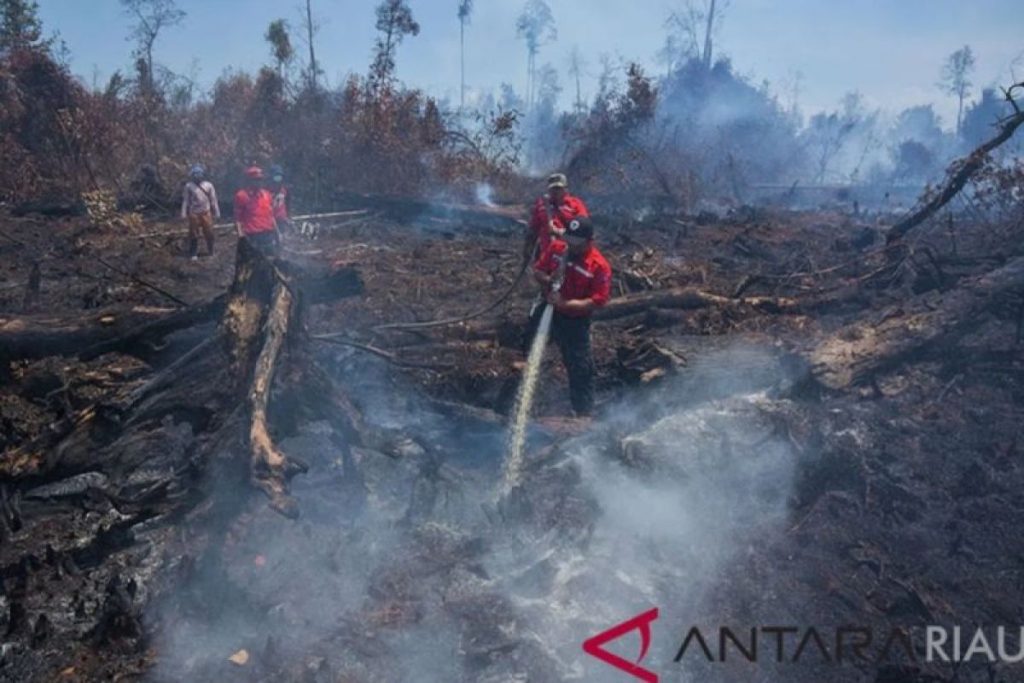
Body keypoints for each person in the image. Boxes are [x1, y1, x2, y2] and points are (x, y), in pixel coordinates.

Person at [527, 216, 611, 416]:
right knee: (529, 350)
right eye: (569, 241)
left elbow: (597, 301)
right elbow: (538, 270)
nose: (571, 247)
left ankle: (582, 413)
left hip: (574, 320)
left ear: (589, 241)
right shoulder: (557, 249)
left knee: (580, 367)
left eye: (576, 244)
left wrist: (567, 304)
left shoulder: (598, 266)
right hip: (548, 308)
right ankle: (524, 399)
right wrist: (548, 280)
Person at [524, 172, 589, 263]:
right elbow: (534, 227)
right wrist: (528, 247)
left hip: (568, 254)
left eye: (558, 188)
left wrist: (560, 232)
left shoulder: (575, 204)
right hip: (546, 253)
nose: (555, 191)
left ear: (565, 189)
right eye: (553, 188)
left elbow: (583, 228)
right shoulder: (542, 204)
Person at [233, 166, 279, 254]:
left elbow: (271, 216)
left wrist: (277, 232)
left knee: (270, 262)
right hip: (252, 236)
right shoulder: (241, 196)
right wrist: (241, 236)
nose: (259, 183)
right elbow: (237, 219)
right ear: (249, 181)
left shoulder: (267, 195)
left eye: (260, 180)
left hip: (267, 234)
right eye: (256, 180)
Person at [180, 164, 220, 260]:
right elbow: (186, 200)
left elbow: (213, 200)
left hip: (206, 212)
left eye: (199, 174)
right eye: (195, 174)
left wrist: (217, 212)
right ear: (192, 175)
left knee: (209, 232)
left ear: (202, 175)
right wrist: (183, 212)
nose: (197, 176)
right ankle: (193, 253)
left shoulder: (208, 185)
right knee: (193, 233)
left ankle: (211, 251)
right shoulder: (189, 186)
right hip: (194, 213)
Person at [268, 164, 293, 233]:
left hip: (282, 221)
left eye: (280, 177)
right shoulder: (266, 192)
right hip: (269, 223)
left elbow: (288, 205)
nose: (278, 180)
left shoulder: (285, 190)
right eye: (276, 177)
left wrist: (288, 218)